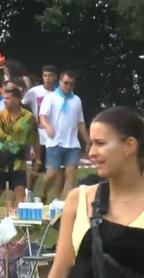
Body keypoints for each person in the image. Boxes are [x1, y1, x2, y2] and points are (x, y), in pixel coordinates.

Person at [25, 106, 144, 278]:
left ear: (130, 146)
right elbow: (59, 274)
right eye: (90, 143)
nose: (90, 152)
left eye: (100, 143)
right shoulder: (79, 200)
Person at [0, 86, 40, 206]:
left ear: (17, 99)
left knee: (20, 191)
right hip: (0, 158)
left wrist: (38, 157)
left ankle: (19, 220)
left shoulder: (29, 118)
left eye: (8, 98)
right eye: (4, 98)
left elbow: (35, 138)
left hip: (18, 160)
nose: (5, 101)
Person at [39, 70, 90, 200]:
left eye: (71, 84)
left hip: (72, 143)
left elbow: (80, 122)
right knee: (52, 173)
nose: (68, 86)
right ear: (60, 82)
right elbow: (42, 116)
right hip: (54, 142)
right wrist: (48, 127)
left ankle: (63, 205)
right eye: (66, 83)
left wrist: (88, 141)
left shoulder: (77, 100)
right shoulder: (51, 97)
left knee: (70, 174)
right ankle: (42, 192)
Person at [23, 65, 58, 192]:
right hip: (38, 136)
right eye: (45, 75)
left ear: (55, 77)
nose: (47, 78)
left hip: (54, 136)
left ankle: (44, 194)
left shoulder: (59, 93)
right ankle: (29, 191)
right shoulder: (34, 92)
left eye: (50, 75)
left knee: (54, 169)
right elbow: (22, 105)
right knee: (36, 166)